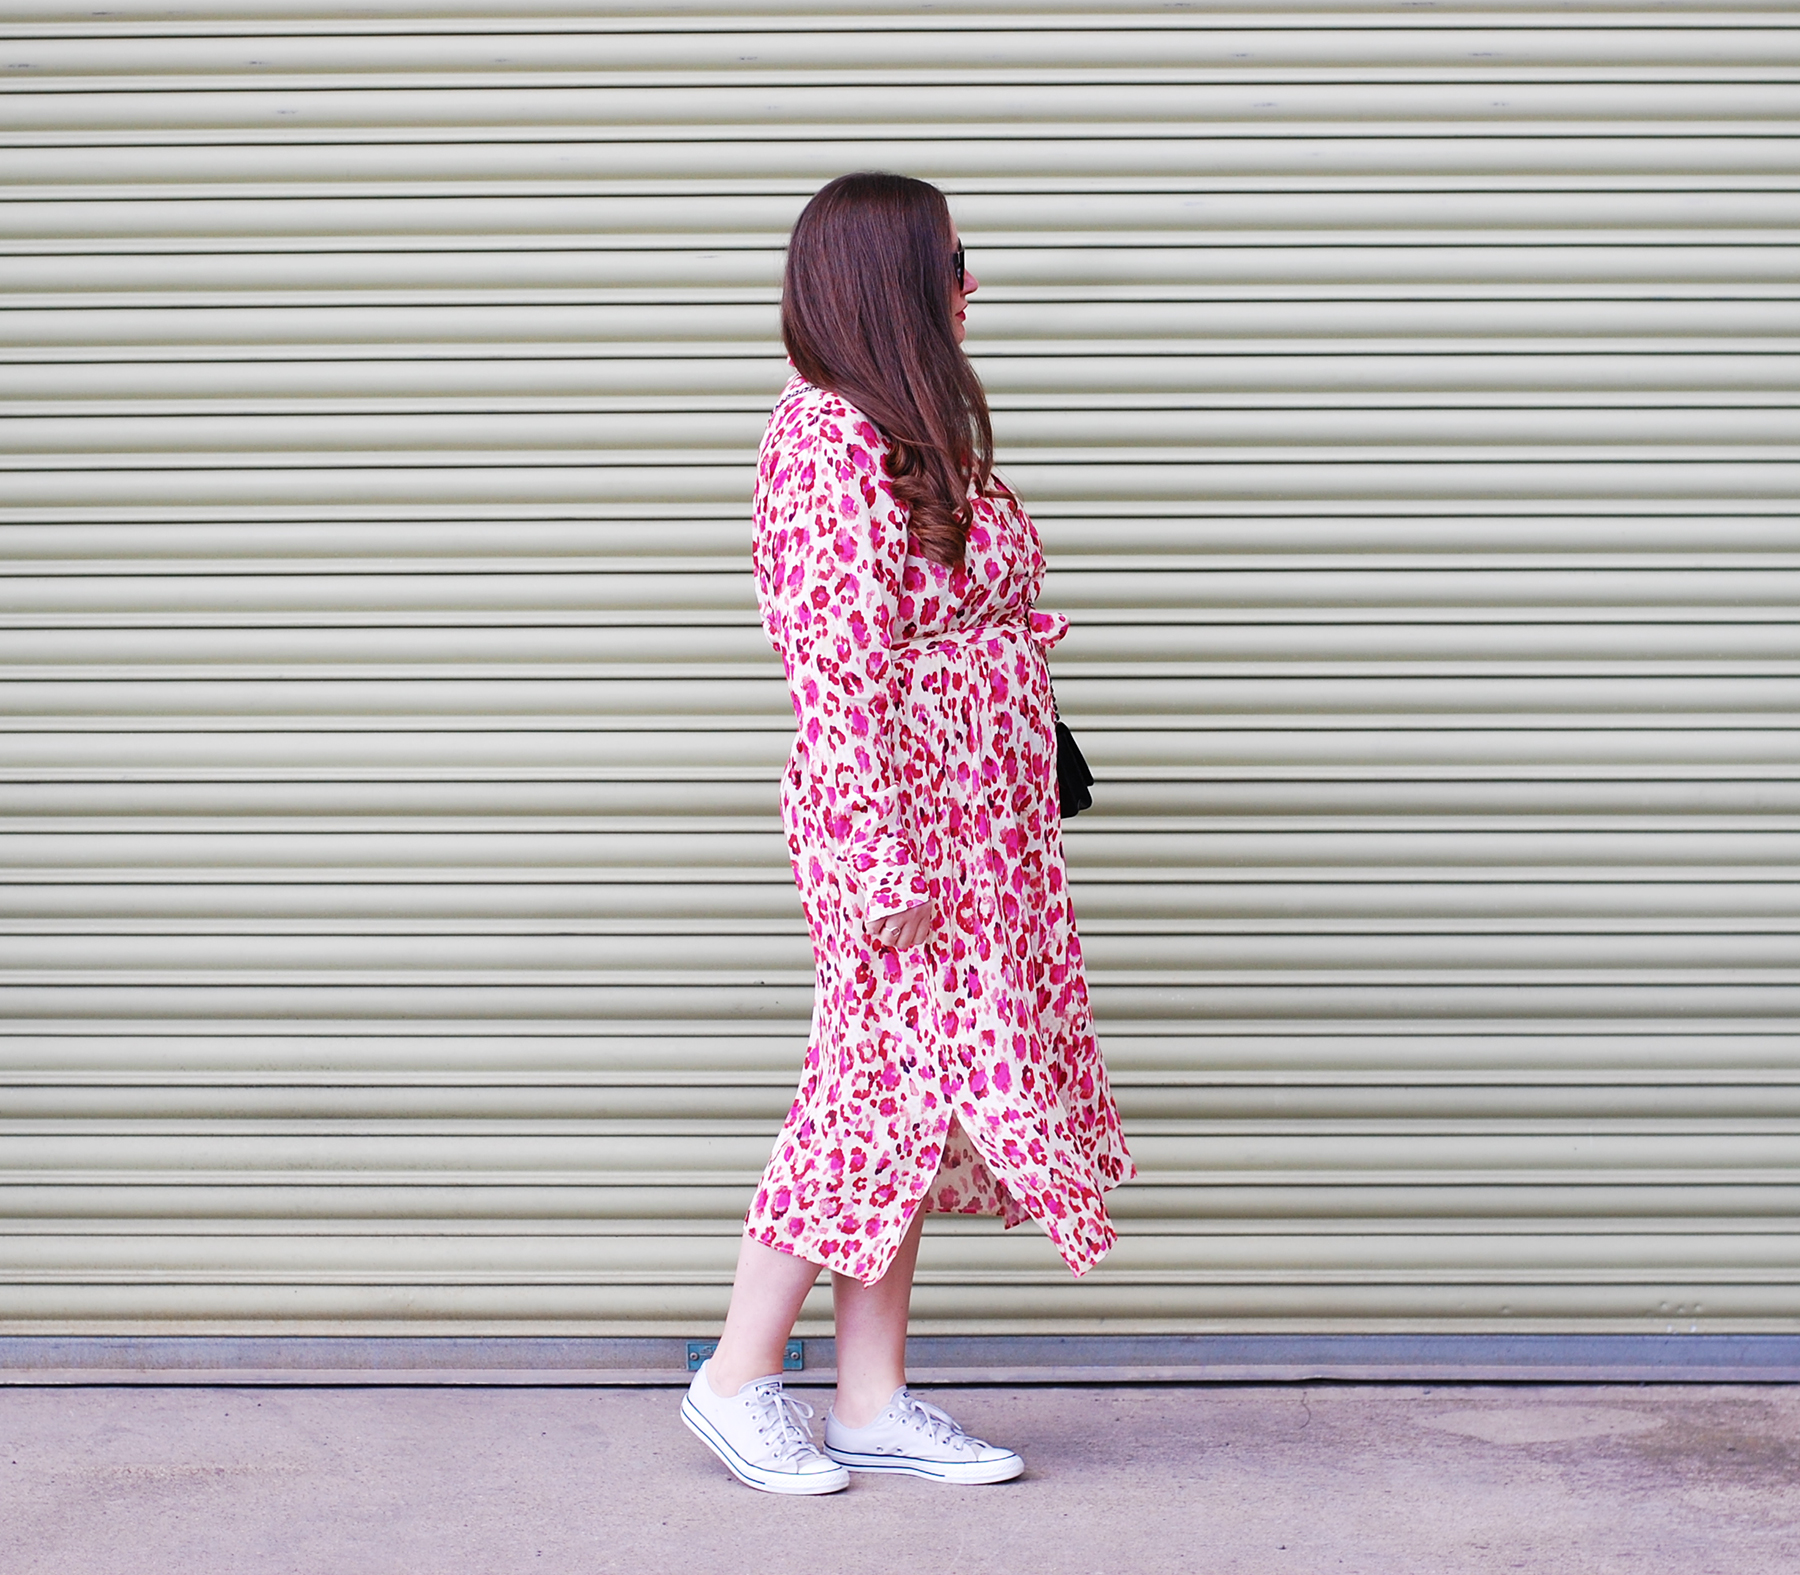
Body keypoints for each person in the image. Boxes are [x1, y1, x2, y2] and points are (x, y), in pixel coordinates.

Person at [681, 172, 1133, 1494]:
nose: (970, 285)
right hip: (899, 834)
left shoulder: (901, 431)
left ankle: (870, 1399)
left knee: (919, 1108)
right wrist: (883, 861)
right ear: (890, 285)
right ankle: (736, 1377)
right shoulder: (825, 444)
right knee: (869, 1093)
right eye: (949, 263)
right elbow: (839, 668)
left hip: (971, 827)